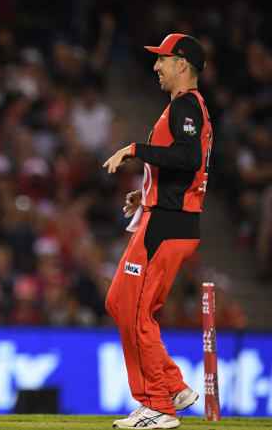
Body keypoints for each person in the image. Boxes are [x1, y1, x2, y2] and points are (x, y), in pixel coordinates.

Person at [102, 34, 212, 429]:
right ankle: (173, 387)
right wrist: (145, 191)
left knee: (135, 311)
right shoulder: (185, 107)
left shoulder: (185, 105)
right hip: (162, 214)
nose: (156, 66)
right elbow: (185, 166)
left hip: (168, 222)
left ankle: (158, 406)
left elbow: (188, 156)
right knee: (120, 303)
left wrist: (134, 149)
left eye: (162, 59)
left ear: (182, 63)